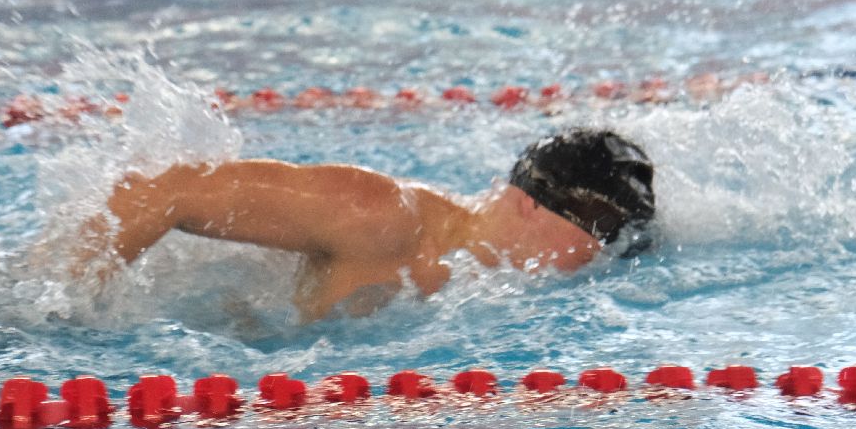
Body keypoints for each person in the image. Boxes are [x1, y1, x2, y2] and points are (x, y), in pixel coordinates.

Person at [80, 127, 655, 321]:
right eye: (601, 227)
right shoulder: (380, 214)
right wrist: (66, 305)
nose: (601, 251)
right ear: (530, 202)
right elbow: (164, 191)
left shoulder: (473, 285)